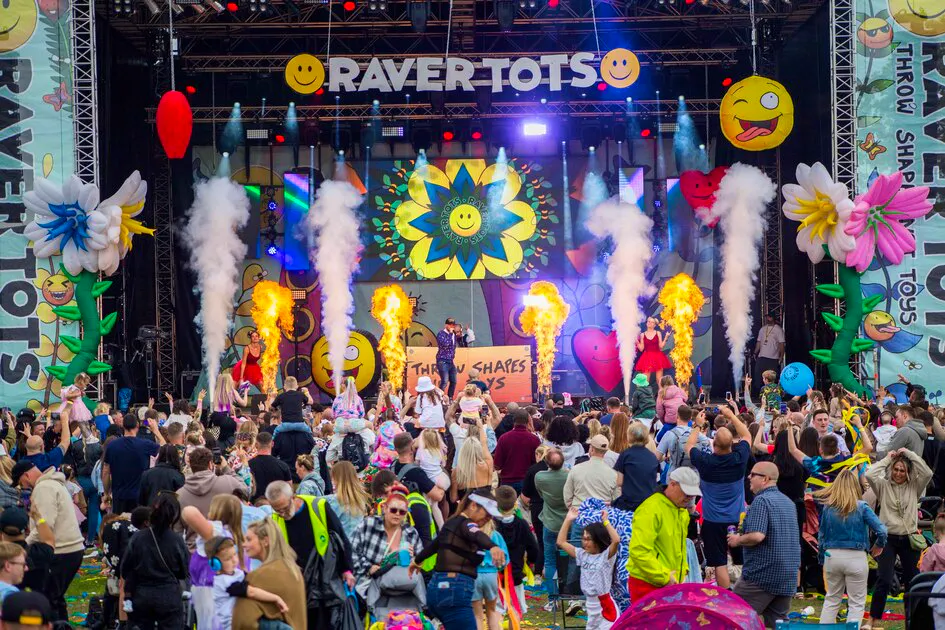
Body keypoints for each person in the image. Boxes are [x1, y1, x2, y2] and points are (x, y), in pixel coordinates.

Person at [409, 490, 506, 629]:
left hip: (437, 590)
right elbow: (476, 534)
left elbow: (435, 545)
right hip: (454, 590)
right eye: (487, 513)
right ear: (473, 505)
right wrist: (493, 546)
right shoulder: (466, 524)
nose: (489, 518)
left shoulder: (451, 524)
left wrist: (417, 560)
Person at [265, 480, 355, 627]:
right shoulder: (275, 519)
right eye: (277, 510)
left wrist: (347, 569)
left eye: (285, 508)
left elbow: (341, 536)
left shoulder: (317, 506)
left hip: (326, 575)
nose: (282, 514)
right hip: (299, 581)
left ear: (293, 497)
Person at [727, 462, 801, 629]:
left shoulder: (761, 501)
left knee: (733, 616)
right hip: (787, 574)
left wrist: (737, 540)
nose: (749, 477)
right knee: (779, 623)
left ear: (765, 479)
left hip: (762, 575)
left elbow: (757, 535)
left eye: (753, 474)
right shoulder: (788, 503)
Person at [865, 447, 933, 626]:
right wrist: (888, 458)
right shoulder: (883, 486)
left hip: (909, 538)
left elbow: (927, 473)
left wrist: (910, 454)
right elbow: (870, 474)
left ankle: (913, 621)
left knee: (912, 581)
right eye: (896, 469)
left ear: (908, 472)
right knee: (884, 579)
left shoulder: (915, 486)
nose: (898, 473)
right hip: (887, 538)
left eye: (902, 470)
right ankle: (873, 620)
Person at [812, 468, 887, 627]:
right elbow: (882, 530)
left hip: (832, 556)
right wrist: (879, 545)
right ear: (855, 486)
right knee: (856, 603)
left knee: (832, 599)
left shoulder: (828, 508)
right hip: (856, 557)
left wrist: (822, 559)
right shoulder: (862, 507)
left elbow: (821, 536)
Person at [11, 460, 83, 622]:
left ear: (26, 475)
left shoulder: (44, 488)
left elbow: (44, 525)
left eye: (20, 482)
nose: (22, 487)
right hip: (71, 548)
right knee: (56, 596)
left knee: (49, 599)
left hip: (62, 550)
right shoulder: (53, 484)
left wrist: (23, 547)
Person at [687, 406, 751, 589]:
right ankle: (743, 594)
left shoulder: (705, 462)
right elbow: (747, 436)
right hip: (737, 519)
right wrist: (731, 415)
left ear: (713, 444)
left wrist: (697, 426)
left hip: (712, 520)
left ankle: (726, 595)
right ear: (731, 445)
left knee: (719, 562)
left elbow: (689, 446)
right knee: (741, 560)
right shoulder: (739, 459)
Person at [350, 486, 425, 619]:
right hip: (367, 588)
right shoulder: (369, 525)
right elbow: (351, 551)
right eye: (393, 510)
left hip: (400, 592)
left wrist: (414, 559)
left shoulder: (411, 533)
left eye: (402, 512)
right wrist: (369, 567)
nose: (397, 514)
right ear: (384, 508)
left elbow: (420, 565)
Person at [626, 467, 700, 601]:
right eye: (686, 493)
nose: (689, 498)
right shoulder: (650, 508)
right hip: (647, 584)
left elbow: (680, 546)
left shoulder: (682, 512)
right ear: (672, 484)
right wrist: (665, 577)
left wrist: (684, 570)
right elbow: (639, 551)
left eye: (692, 494)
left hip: (670, 582)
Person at [120, 493, 189, 629]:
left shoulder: (137, 538)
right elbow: (183, 572)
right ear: (174, 516)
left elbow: (125, 568)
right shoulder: (176, 540)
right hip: (168, 595)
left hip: (142, 594)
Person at [181, 495, 246, 630]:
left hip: (212, 598)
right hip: (230, 601)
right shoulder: (237, 539)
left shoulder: (214, 534)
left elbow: (188, 512)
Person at [231, 518, 307, 630]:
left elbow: (244, 622)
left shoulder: (259, 576)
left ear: (265, 541)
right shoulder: (294, 571)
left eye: (249, 539)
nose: (243, 544)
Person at [205, 536, 289, 630]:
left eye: (234, 554)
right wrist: (276, 598)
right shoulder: (225, 583)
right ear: (215, 564)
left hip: (246, 618)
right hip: (237, 624)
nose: (234, 560)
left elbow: (253, 580)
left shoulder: (236, 573)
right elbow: (252, 592)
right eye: (228, 559)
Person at [557, 507, 620, 629]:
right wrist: (568, 519)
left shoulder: (606, 556)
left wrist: (605, 521)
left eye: (588, 539)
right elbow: (561, 542)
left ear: (597, 539)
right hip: (590, 606)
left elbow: (616, 540)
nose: (584, 542)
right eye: (583, 538)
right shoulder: (582, 555)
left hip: (605, 606)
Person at [102, 413, 165, 514]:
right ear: (137, 426)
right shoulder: (145, 444)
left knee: (120, 522)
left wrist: (106, 493)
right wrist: (156, 431)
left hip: (119, 495)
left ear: (123, 426)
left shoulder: (112, 445)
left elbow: (106, 471)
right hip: (139, 496)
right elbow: (165, 449)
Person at [494, 486, 539, 616]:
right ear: (515, 503)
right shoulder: (522, 524)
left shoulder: (492, 524)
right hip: (515, 572)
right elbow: (533, 547)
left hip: (496, 572)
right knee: (515, 608)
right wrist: (531, 561)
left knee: (497, 610)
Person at [534, 448, 568, 611]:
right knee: (570, 560)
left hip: (550, 523)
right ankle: (571, 597)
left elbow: (541, 494)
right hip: (567, 523)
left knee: (550, 561)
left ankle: (553, 599)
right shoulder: (569, 476)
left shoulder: (540, 477)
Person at [0, 507, 53, 598]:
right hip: (36, 603)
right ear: (27, 529)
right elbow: (49, 540)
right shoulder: (39, 553)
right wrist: (38, 518)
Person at [613, 421, 660, 511]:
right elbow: (656, 480)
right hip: (648, 503)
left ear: (629, 436)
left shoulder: (625, 455)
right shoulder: (653, 457)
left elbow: (619, 482)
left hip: (629, 503)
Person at [492, 408, 540, 493]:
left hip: (507, 481)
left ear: (514, 420)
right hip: (527, 481)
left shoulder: (503, 438)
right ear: (528, 421)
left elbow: (497, 463)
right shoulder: (534, 439)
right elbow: (537, 462)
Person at [324, 461, 372, 541]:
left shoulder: (336, 500)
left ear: (337, 479)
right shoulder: (360, 498)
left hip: (341, 544)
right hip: (357, 542)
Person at [248, 433, 292, 503]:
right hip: (276, 504)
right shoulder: (283, 466)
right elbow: (289, 488)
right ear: (272, 444)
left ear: (256, 445)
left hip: (254, 505)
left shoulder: (248, 465)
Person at [137, 443, 185, 508]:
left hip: (150, 510)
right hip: (170, 511)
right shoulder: (178, 476)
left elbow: (141, 499)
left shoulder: (147, 474)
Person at [634, 317, 671, 382]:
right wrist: (636, 341)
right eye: (648, 321)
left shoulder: (658, 333)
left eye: (652, 322)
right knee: (645, 380)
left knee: (659, 380)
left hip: (658, 357)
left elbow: (661, 346)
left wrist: (666, 337)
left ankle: (661, 389)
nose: (649, 323)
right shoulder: (642, 335)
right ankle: (644, 389)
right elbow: (641, 349)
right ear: (646, 323)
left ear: (655, 325)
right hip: (647, 358)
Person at [754, 313, 784, 391]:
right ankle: (759, 393)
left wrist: (781, 356)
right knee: (758, 376)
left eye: (769, 317)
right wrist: (755, 352)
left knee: (772, 378)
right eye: (766, 317)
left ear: (773, 318)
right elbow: (759, 342)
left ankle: (772, 393)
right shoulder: (762, 329)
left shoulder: (778, 329)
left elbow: (781, 344)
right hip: (761, 357)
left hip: (773, 358)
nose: (767, 319)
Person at [59, 373, 93, 438]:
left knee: (77, 422)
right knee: (74, 421)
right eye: (85, 384)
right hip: (72, 406)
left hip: (78, 406)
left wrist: (81, 394)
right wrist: (77, 394)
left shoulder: (77, 389)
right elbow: (67, 395)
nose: (85, 386)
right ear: (81, 382)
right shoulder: (73, 388)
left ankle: (71, 435)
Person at [435, 317, 462, 398]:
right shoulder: (441, 334)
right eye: (450, 325)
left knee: (453, 381)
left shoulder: (453, 334)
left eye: (453, 325)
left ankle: (450, 398)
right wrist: (450, 334)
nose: (451, 326)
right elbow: (445, 344)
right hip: (442, 360)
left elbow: (453, 345)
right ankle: (439, 398)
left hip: (450, 360)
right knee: (444, 381)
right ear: (446, 325)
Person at [655, 376, 687, 440]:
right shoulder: (679, 390)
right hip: (683, 419)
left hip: (670, 422)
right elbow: (686, 398)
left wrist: (664, 422)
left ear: (662, 384)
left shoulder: (661, 393)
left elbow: (659, 411)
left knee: (657, 439)